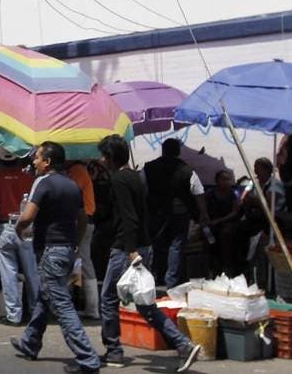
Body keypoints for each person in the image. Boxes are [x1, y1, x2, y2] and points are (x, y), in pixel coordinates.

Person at [98, 135, 200, 372]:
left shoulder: (120, 180)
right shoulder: (134, 177)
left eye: (104, 155)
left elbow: (129, 216)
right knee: (144, 303)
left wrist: (131, 250)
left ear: (111, 157)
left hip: (126, 248)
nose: (101, 159)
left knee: (108, 299)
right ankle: (182, 344)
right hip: (142, 245)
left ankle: (114, 351)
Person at [9, 142, 100, 374]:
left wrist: (18, 228)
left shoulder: (43, 182)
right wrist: (76, 245)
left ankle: (88, 359)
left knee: (62, 305)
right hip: (67, 250)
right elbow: (82, 220)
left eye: (37, 158)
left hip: (50, 251)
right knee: (44, 296)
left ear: (47, 161)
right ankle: (30, 343)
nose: (34, 162)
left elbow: (28, 217)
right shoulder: (72, 184)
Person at [0, 149, 39, 326]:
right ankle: (37, 312)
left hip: (3, 228)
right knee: (32, 272)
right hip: (26, 227)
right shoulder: (29, 179)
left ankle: (14, 315)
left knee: (9, 273)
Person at [143, 138, 207, 288]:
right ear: (178, 151)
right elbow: (199, 192)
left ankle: (156, 277)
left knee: (157, 245)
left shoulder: (149, 168)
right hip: (180, 213)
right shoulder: (187, 170)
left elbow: (141, 189)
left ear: (163, 150)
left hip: (156, 213)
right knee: (176, 247)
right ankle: (170, 282)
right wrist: (203, 213)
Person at [66, 160, 100, 320]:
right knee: (78, 262)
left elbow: (72, 191)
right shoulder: (78, 170)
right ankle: (85, 305)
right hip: (83, 220)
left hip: (82, 221)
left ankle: (92, 308)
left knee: (84, 262)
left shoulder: (77, 170)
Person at [205, 170, 242, 277]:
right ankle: (211, 267)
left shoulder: (233, 194)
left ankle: (227, 267)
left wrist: (219, 221)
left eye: (228, 179)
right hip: (211, 224)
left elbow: (235, 212)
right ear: (217, 181)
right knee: (208, 237)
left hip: (228, 223)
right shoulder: (210, 194)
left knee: (226, 235)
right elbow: (204, 210)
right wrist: (208, 221)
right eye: (223, 179)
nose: (226, 182)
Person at [87, 158, 115, 284]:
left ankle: (99, 275)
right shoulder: (108, 178)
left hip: (100, 219)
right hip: (105, 219)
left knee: (97, 250)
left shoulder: (97, 183)